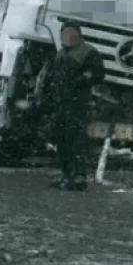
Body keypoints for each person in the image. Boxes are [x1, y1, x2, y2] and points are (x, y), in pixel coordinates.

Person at [44, 22, 105, 191]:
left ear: (79, 35)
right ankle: (66, 174)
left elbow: (98, 74)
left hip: (78, 103)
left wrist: (80, 81)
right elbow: (52, 77)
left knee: (76, 139)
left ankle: (78, 176)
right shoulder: (61, 54)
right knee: (61, 139)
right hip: (61, 103)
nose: (68, 37)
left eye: (72, 34)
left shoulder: (88, 52)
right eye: (65, 34)